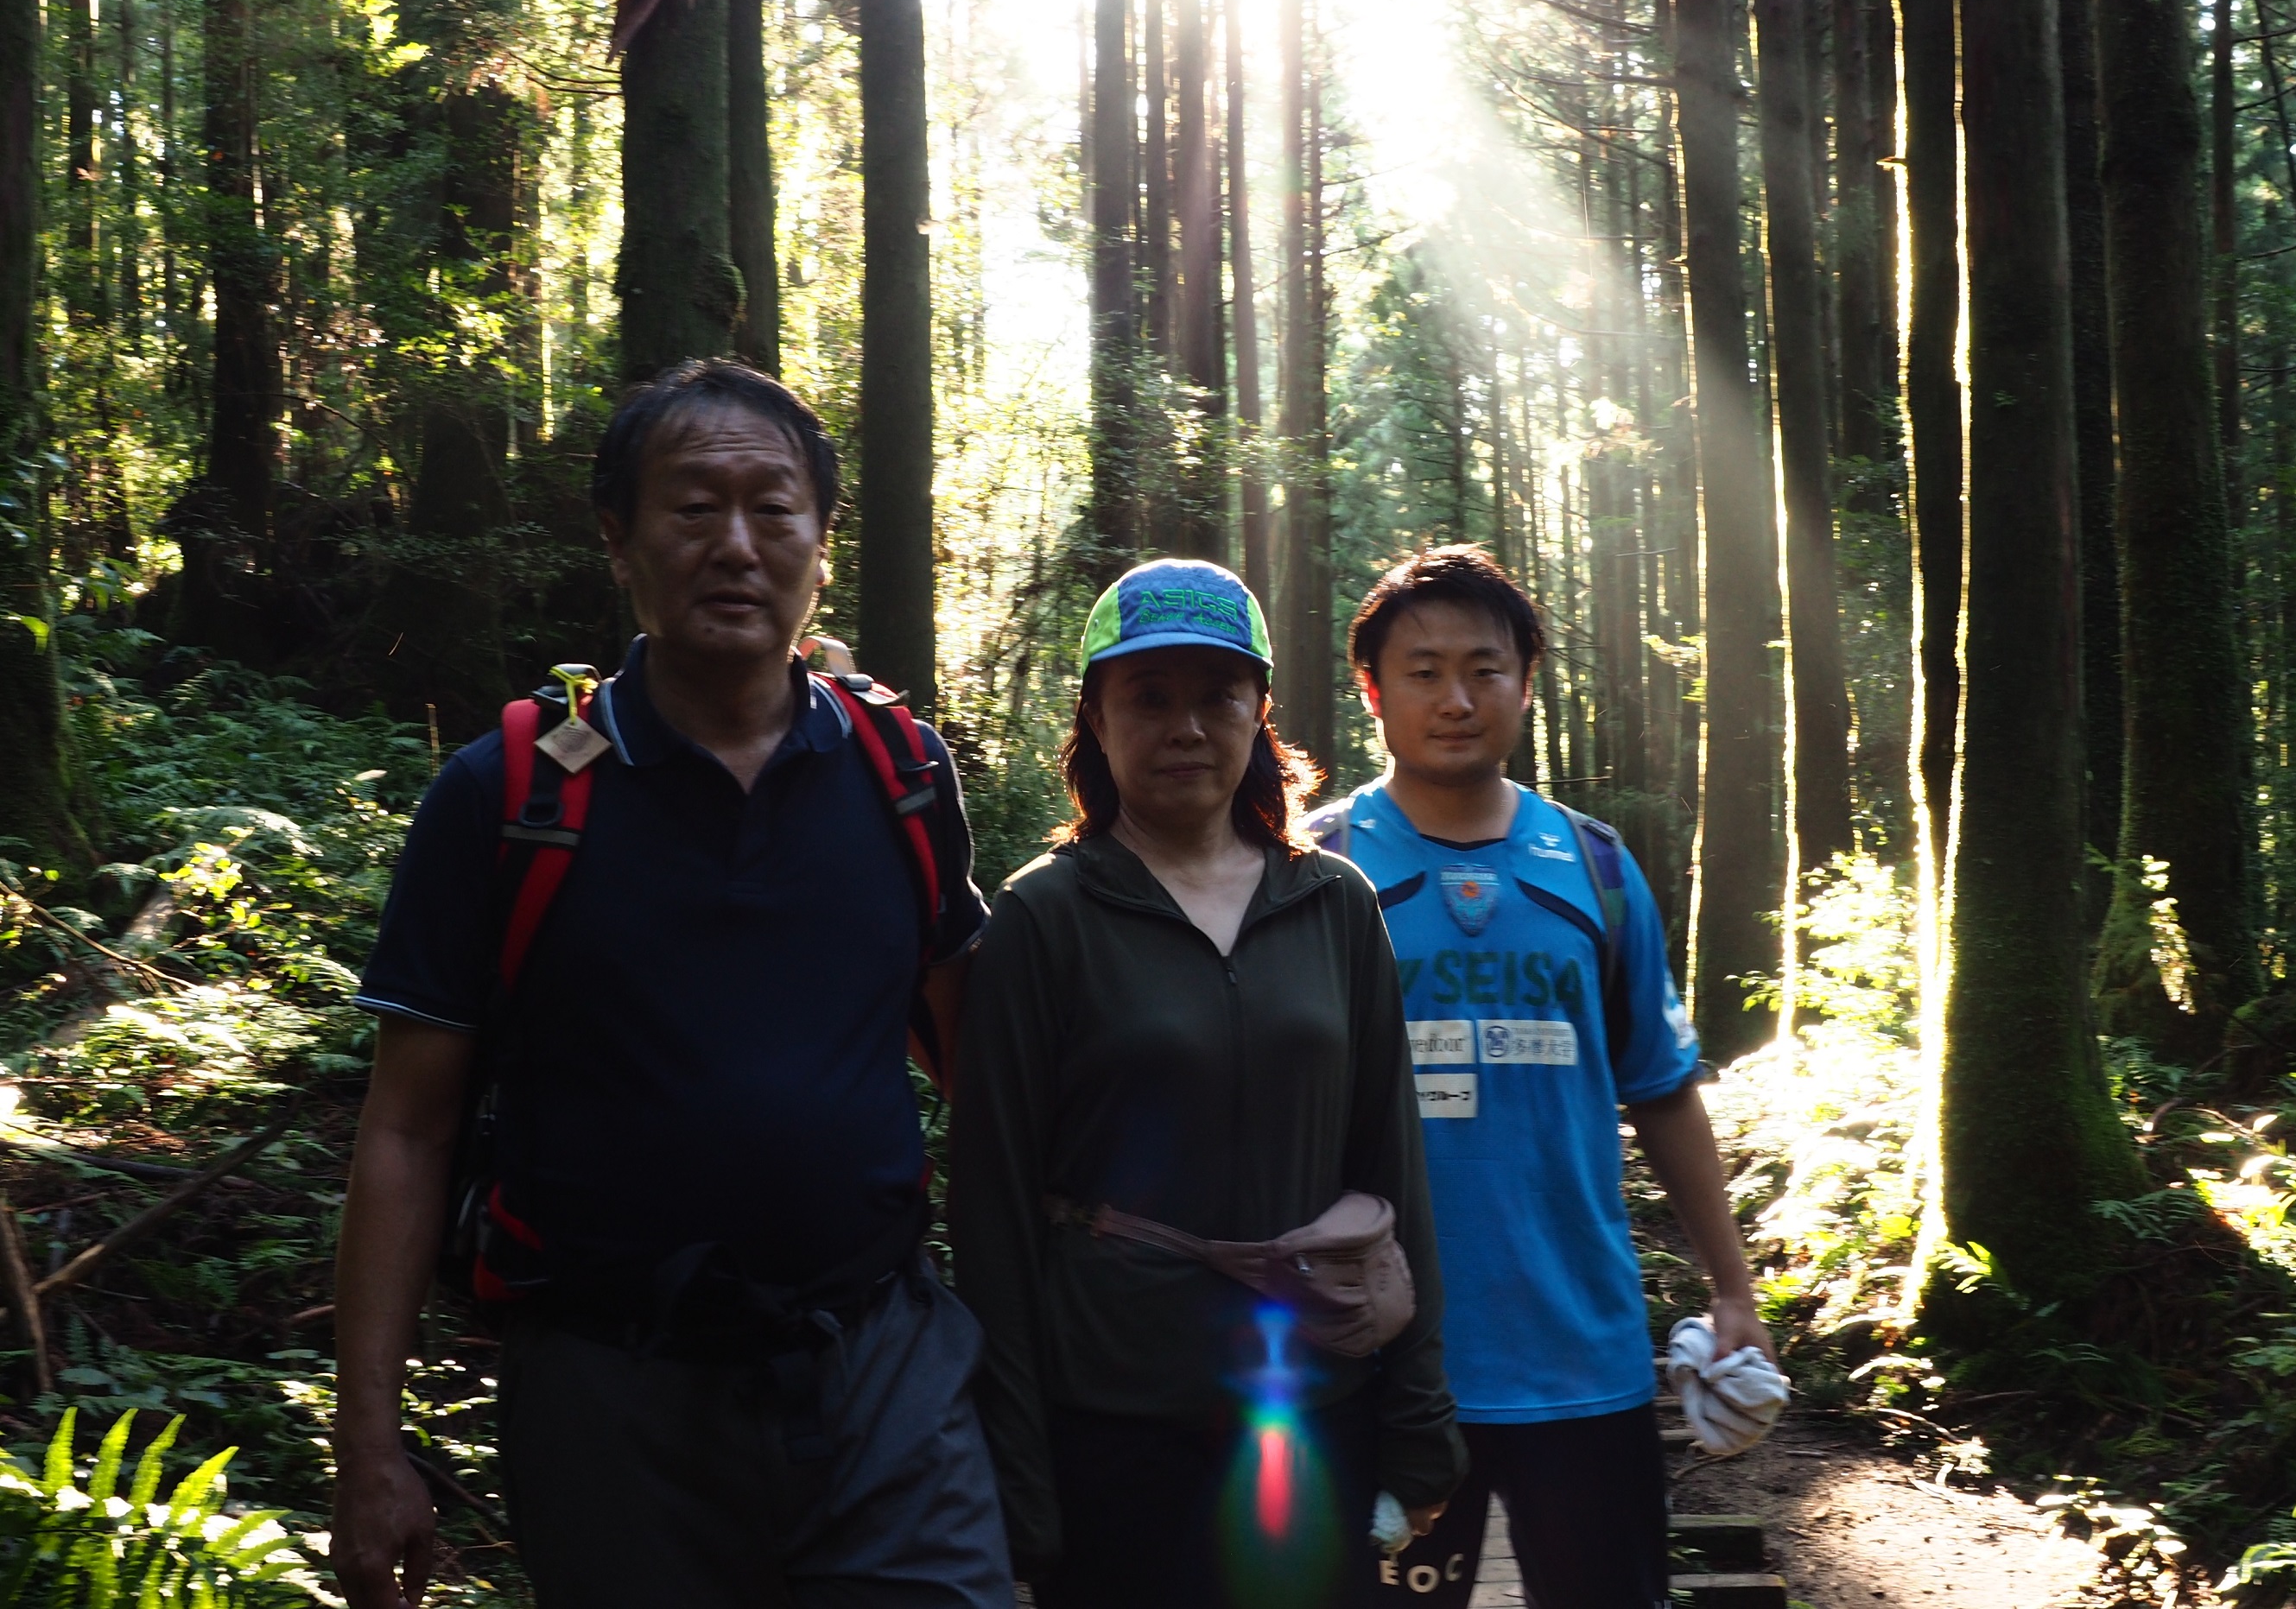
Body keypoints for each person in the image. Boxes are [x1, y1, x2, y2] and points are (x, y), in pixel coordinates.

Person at [329, 360, 1014, 1609]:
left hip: (879, 1365)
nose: (736, 546)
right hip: (611, 1389)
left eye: (773, 508)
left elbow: (987, 1079)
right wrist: (369, 1442)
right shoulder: (512, 795)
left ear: (822, 540)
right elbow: (408, 1125)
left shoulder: (902, 775)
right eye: (694, 508)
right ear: (619, 539)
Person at [950, 558, 1464, 1609]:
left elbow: (1393, 1169)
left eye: (1217, 695)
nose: (1185, 726)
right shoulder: (1043, 919)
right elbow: (991, 1215)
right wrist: (1017, 1477)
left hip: (1313, 1417)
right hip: (1113, 1427)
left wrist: (1418, 1420)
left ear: (1260, 711)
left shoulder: (1334, 905)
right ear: (1096, 717)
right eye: (1149, 697)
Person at [1310, 545, 1775, 1609]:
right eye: (1423, 672)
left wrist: (1733, 1287)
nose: (1458, 698)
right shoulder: (1312, 869)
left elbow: (1660, 1089)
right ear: (1373, 692)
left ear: (1527, 680)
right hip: (1383, 1370)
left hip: (1585, 1361)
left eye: (1486, 667)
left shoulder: (1596, 867)